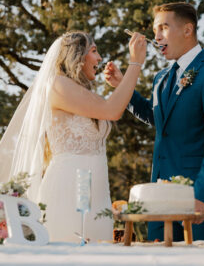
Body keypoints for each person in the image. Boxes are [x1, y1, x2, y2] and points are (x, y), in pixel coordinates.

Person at [104, 2, 204, 241]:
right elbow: (153, 115)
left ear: (188, 30)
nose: (156, 37)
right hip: (160, 202)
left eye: (163, 28)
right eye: (155, 29)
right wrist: (123, 85)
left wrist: (203, 195)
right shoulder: (161, 78)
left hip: (200, 203)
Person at [0, 30, 146, 242]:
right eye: (94, 51)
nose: (100, 58)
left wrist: (121, 82)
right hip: (68, 189)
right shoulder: (57, 85)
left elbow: (111, 108)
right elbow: (111, 110)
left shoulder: (82, 91)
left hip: (98, 192)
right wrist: (136, 64)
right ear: (77, 56)